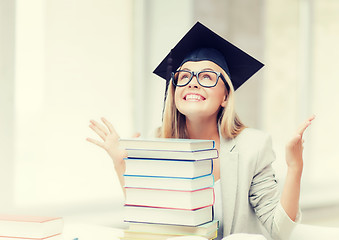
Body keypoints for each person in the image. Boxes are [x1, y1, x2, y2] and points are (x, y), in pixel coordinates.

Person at [87, 22, 314, 240]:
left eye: (206, 76)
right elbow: (151, 222)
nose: (192, 83)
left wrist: (295, 168)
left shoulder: (252, 147)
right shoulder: (159, 142)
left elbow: (280, 231)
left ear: (225, 96)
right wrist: (121, 164)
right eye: (184, 76)